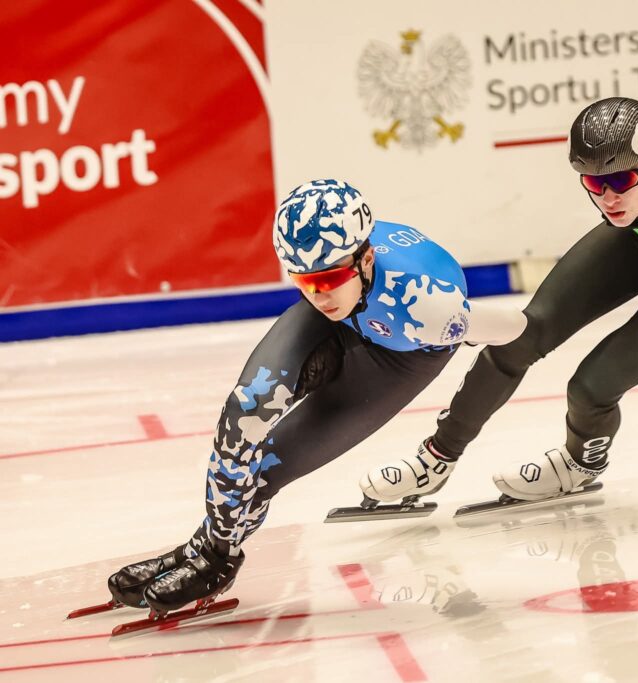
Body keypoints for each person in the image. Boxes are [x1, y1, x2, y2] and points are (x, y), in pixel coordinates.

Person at [358, 96, 638, 509]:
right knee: (520, 336)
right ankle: (437, 456)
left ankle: (581, 463)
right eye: (594, 184)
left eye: (619, 180)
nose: (608, 198)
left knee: (591, 388)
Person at [99, 179, 526, 617]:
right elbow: (325, 290)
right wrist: (330, 284)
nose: (319, 294)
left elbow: (516, 328)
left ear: (366, 258)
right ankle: (210, 551)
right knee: (243, 415)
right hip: (350, 318)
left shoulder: (427, 308)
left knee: (267, 469)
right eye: (303, 280)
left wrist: (464, 331)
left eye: (328, 278)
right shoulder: (330, 282)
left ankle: (210, 555)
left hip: (398, 355)